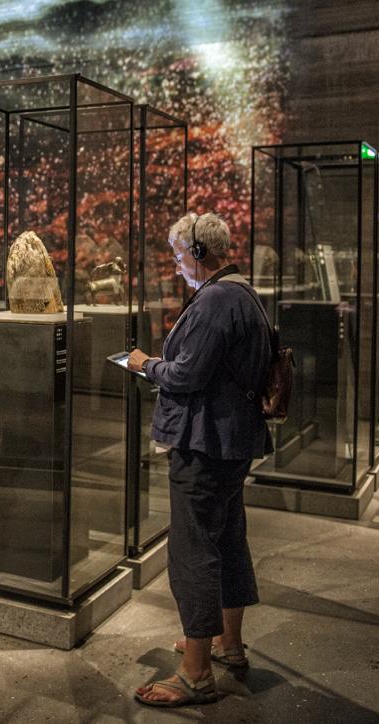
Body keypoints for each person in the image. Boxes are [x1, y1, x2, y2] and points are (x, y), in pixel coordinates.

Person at [127, 212, 273, 707]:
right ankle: (227, 644)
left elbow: (187, 375)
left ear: (198, 252)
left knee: (193, 554)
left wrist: (144, 364)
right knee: (228, 542)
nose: (175, 264)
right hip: (229, 443)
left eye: (177, 254)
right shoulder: (242, 292)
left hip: (204, 444)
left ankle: (195, 674)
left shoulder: (215, 299)